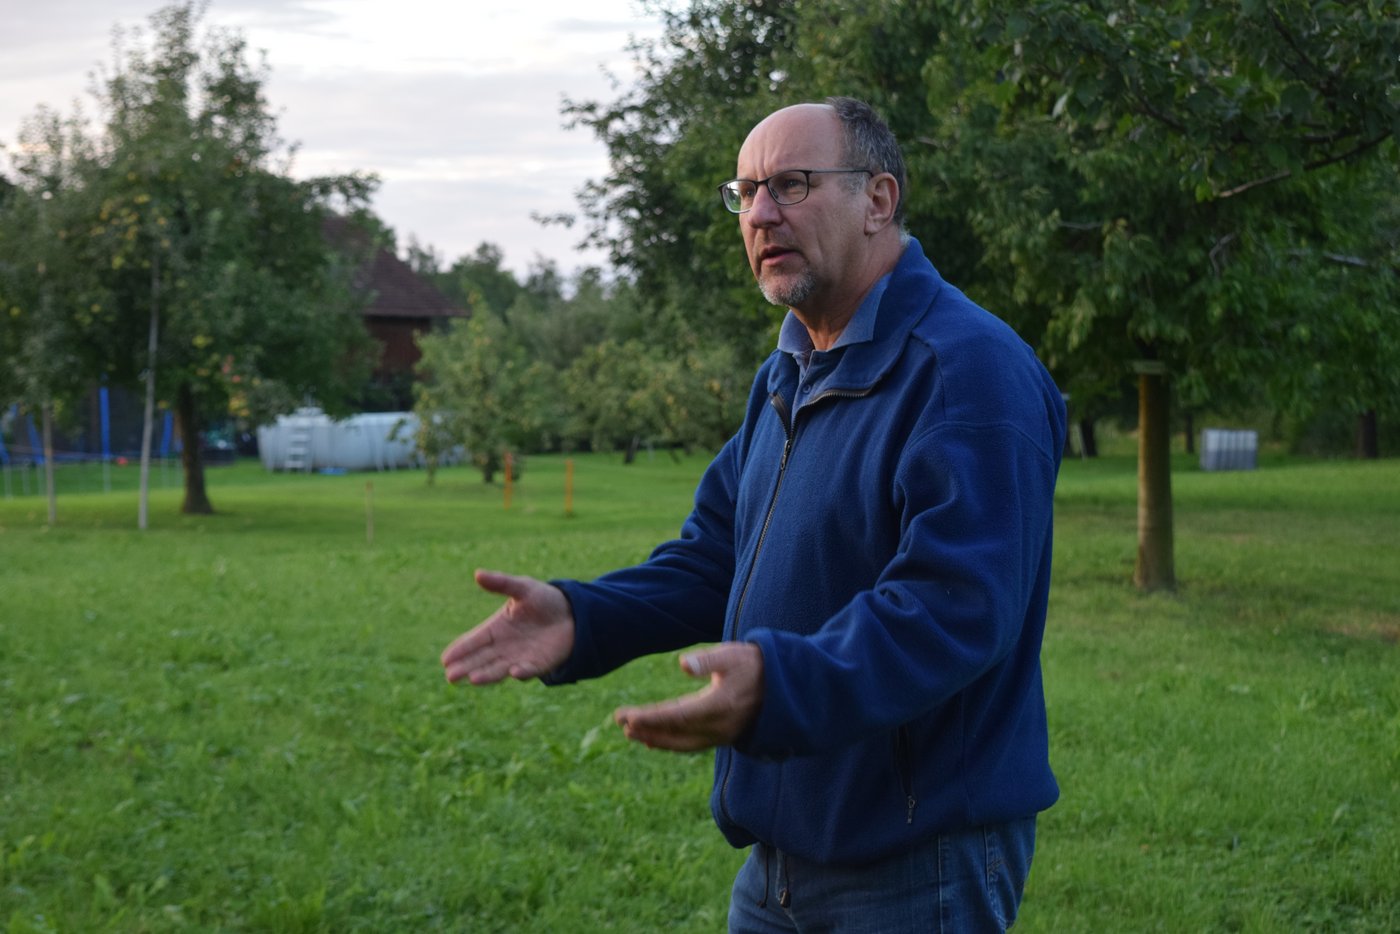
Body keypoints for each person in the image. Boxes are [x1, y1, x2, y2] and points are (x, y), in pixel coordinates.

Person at [442, 96, 1066, 932]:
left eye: (792, 184)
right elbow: (716, 557)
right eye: (745, 192)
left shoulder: (966, 372)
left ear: (878, 200)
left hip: (919, 861)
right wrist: (587, 617)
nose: (761, 214)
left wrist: (779, 686)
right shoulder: (789, 372)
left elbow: (954, 610)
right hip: (781, 858)